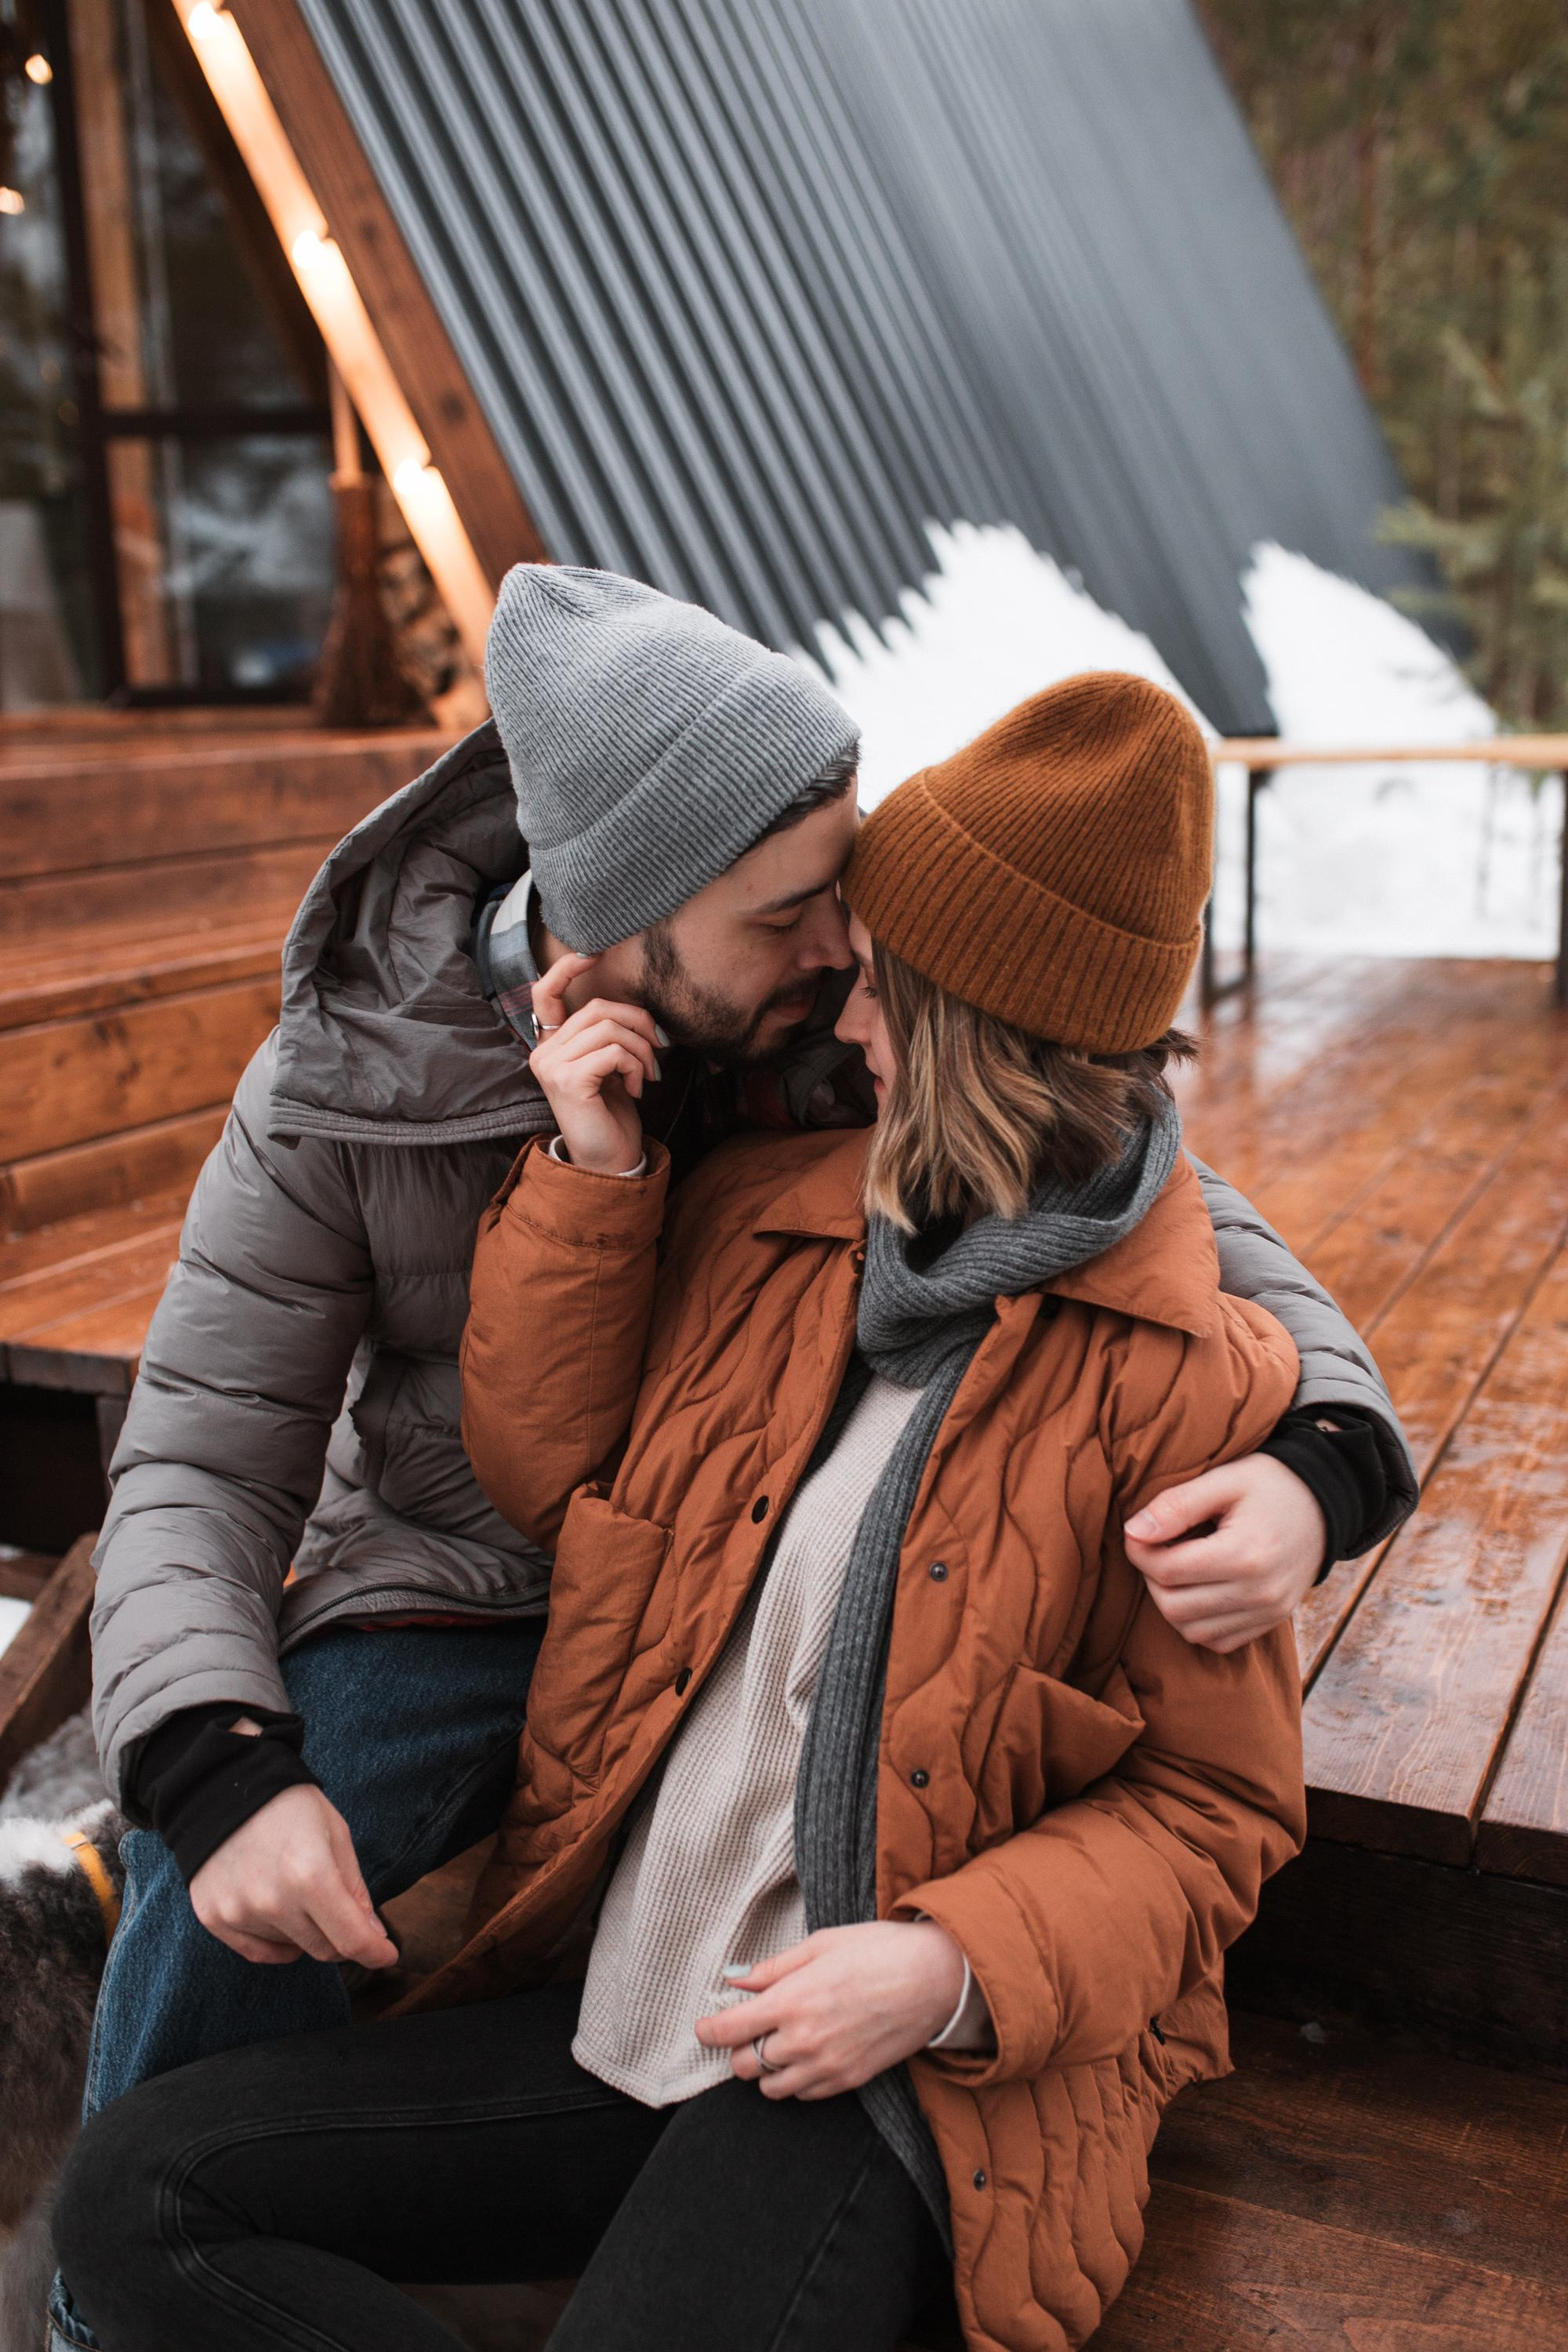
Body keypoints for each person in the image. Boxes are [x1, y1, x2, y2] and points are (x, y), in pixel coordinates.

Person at [49, 573, 1403, 2352]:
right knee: (220, 1896)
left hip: (770, 1668)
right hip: (479, 1586)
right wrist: (213, 1756)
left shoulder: (850, 1070)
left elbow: (1145, 1194)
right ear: (618, 930)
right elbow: (218, 1467)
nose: (841, 960)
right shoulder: (354, 1093)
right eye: (790, 918)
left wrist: (1326, 1450)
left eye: (855, 914)